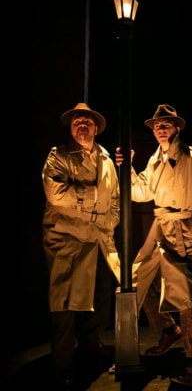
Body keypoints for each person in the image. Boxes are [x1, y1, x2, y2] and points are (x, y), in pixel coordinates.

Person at [115, 104, 192, 386]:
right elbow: (141, 192)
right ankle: (170, 330)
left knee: (188, 294)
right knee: (136, 279)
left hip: (185, 230)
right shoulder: (155, 159)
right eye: (157, 125)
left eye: (166, 124)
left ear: (177, 128)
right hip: (160, 226)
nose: (161, 128)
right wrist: (126, 169)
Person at [42, 103, 121, 388]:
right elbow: (57, 194)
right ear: (70, 127)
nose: (83, 124)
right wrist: (91, 204)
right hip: (67, 239)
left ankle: (92, 343)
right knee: (63, 303)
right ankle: (61, 364)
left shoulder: (106, 159)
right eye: (77, 121)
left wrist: (106, 221)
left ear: (96, 128)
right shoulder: (59, 156)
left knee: (101, 295)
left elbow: (113, 200)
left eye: (88, 120)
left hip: (98, 238)